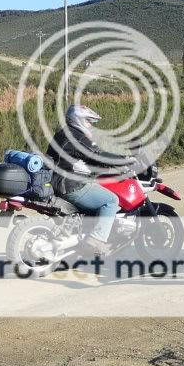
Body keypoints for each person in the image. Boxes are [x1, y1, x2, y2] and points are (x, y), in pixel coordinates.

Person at [46, 105, 132, 255]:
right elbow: (97, 154)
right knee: (111, 200)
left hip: (57, 182)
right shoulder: (77, 137)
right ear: (77, 120)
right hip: (70, 185)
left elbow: (87, 159)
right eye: (88, 121)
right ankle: (96, 240)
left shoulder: (63, 134)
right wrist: (124, 160)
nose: (90, 125)